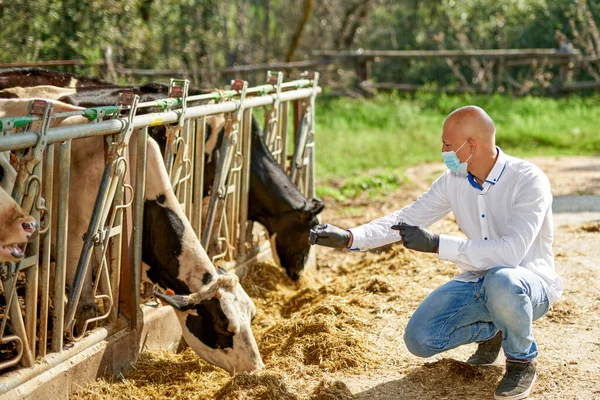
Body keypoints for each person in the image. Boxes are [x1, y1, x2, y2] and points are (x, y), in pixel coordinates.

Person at [309, 105, 562, 400]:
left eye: (447, 145)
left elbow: (511, 253)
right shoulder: (452, 181)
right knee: (420, 338)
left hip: (528, 285)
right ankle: (494, 330)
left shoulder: (528, 180)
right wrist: (350, 237)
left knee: (502, 280)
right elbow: (405, 218)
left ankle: (521, 361)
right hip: (479, 281)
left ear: (471, 146)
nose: (442, 151)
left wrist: (437, 244)